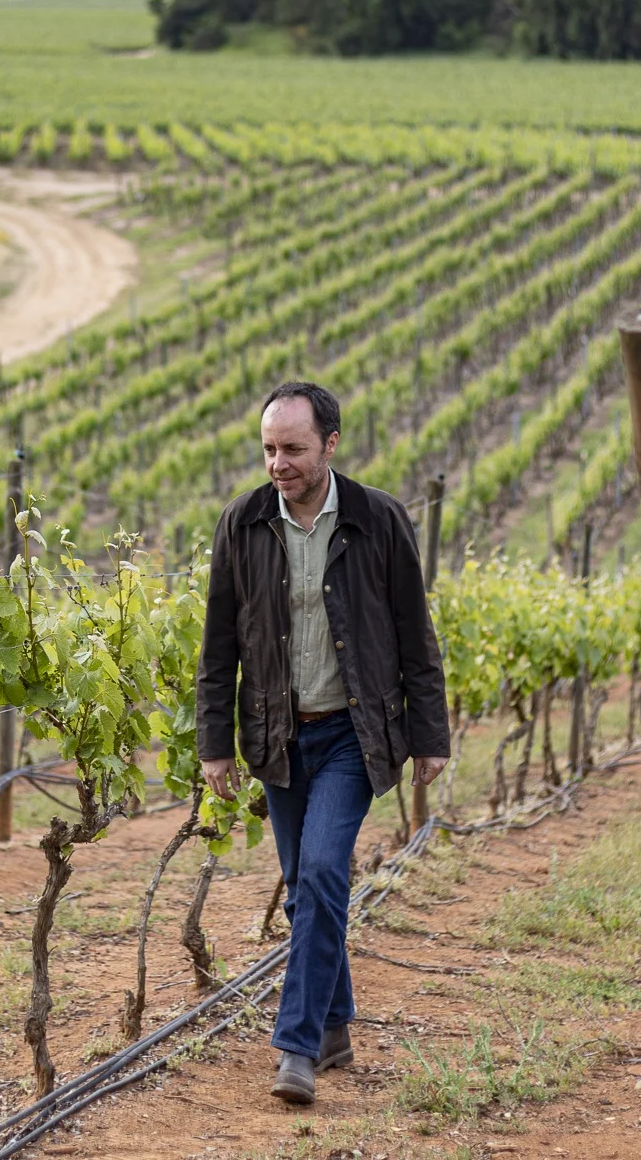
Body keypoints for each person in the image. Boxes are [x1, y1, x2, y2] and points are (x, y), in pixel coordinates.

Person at [196, 380, 450, 1106]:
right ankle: (336, 1024)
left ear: (331, 445)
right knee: (307, 892)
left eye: (294, 449)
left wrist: (430, 735)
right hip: (277, 738)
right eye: (270, 449)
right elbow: (218, 647)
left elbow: (414, 634)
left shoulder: (379, 520)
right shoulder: (241, 524)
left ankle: (296, 1047)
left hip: (353, 734)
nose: (279, 463)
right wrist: (216, 745)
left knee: (320, 877)